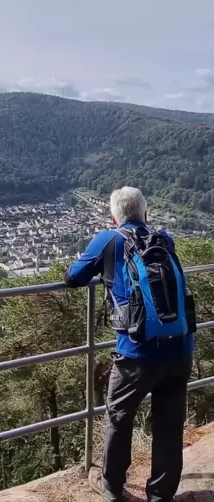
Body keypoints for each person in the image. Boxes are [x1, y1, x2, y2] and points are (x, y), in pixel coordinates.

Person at [64, 187, 195, 502]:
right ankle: (161, 495)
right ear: (145, 213)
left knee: (119, 416)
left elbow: (74, 277)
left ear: (114, 216)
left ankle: (112, 486)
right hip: (179, 346)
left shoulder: (108, 239)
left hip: (137, 351)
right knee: (168, 424)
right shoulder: (163, 238)